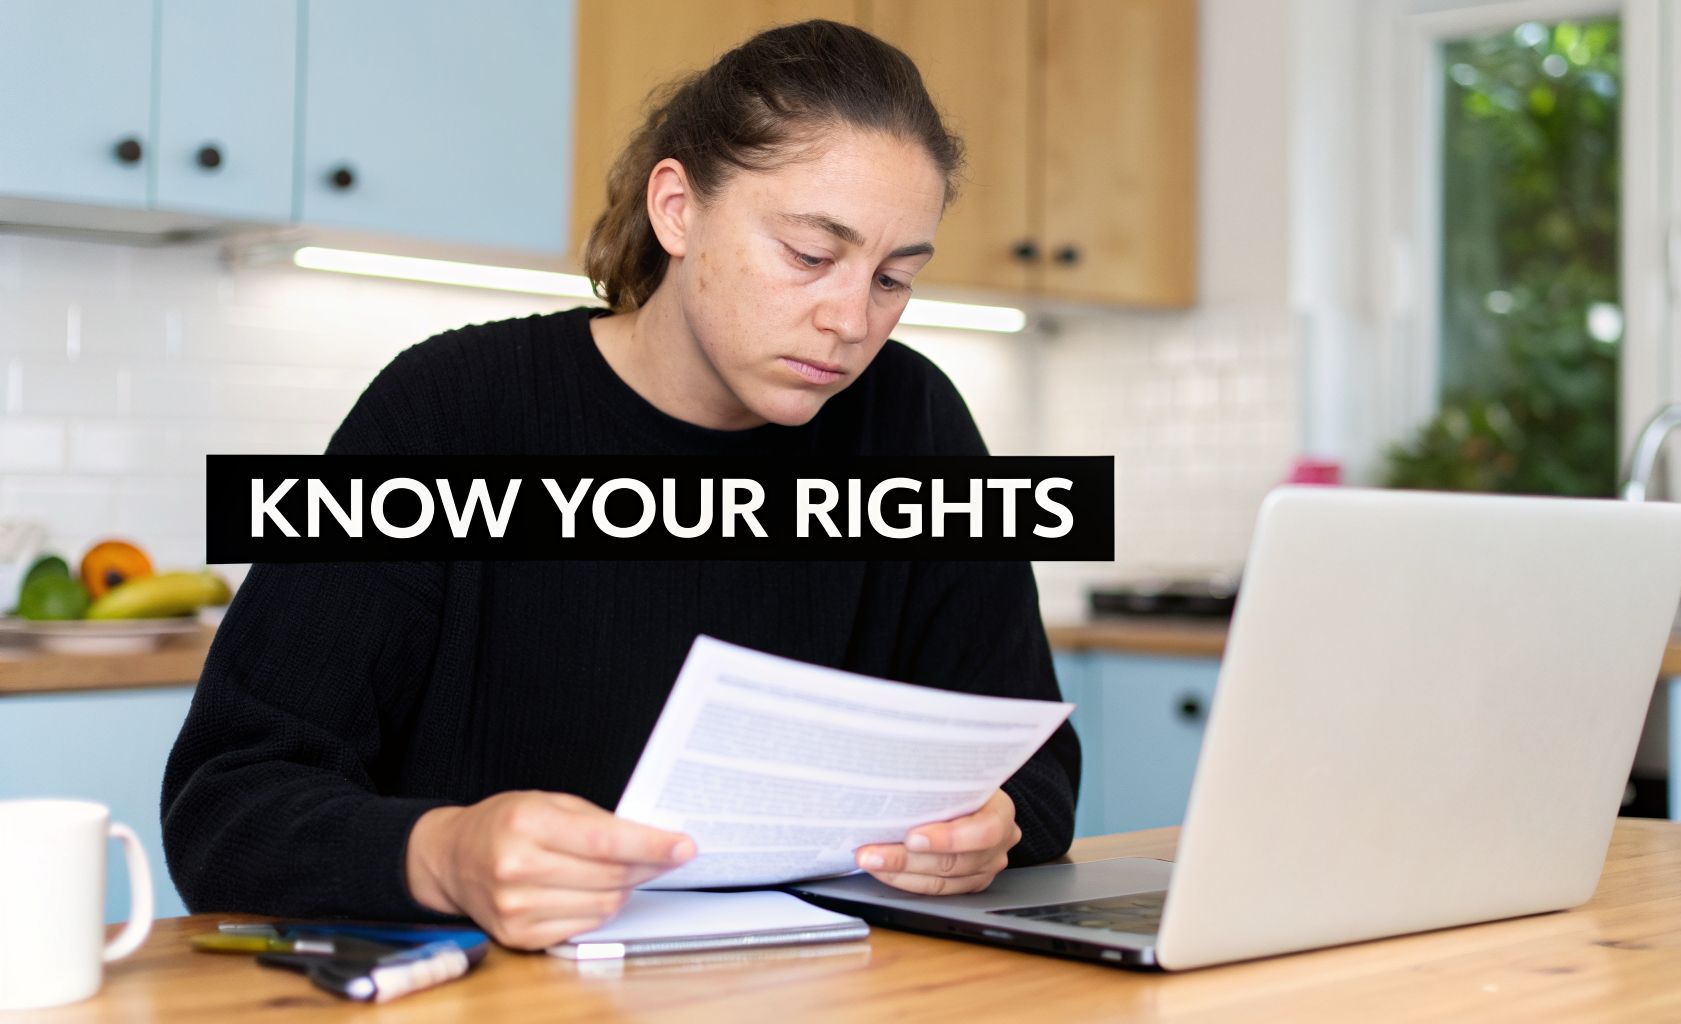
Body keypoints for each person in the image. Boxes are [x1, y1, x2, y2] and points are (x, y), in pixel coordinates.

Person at [162, 20, 1079, 951]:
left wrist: (988, 830)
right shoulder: (451, 412)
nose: (851, 319)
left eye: (892, 278)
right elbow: (227, 806)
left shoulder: (914, 425)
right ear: (677, 209)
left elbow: (1038, 770)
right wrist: (443, 853)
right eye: (809, 255)